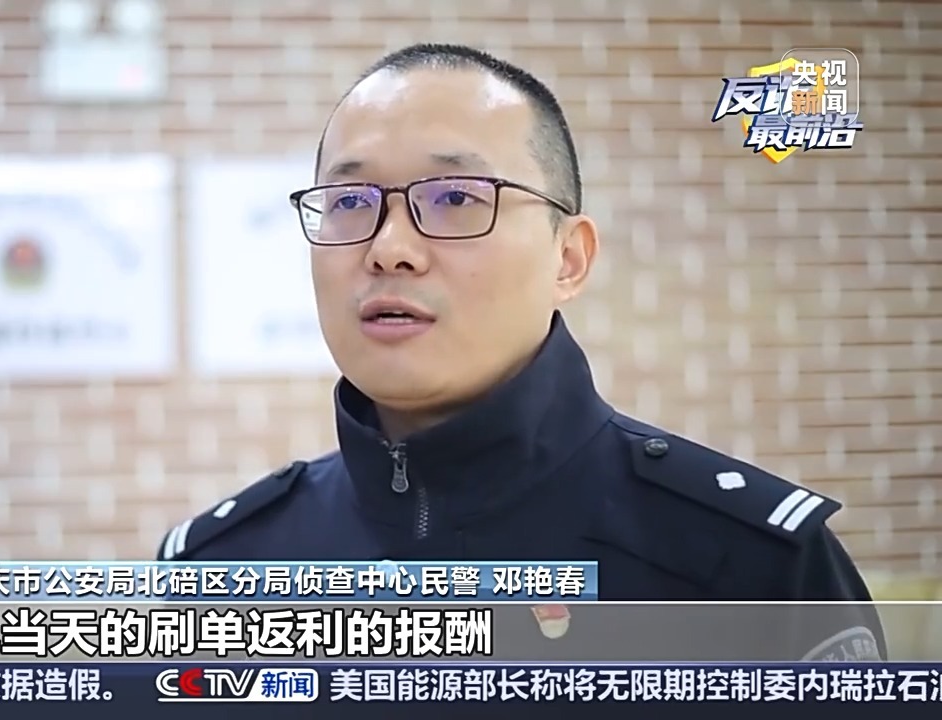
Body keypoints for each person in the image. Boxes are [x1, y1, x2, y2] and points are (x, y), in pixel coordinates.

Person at [158, 43, 884, 661]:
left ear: (569, 258)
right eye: (350, 203)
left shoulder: (750, 566)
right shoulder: (217, 575)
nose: (389, 249)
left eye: (455, 198)